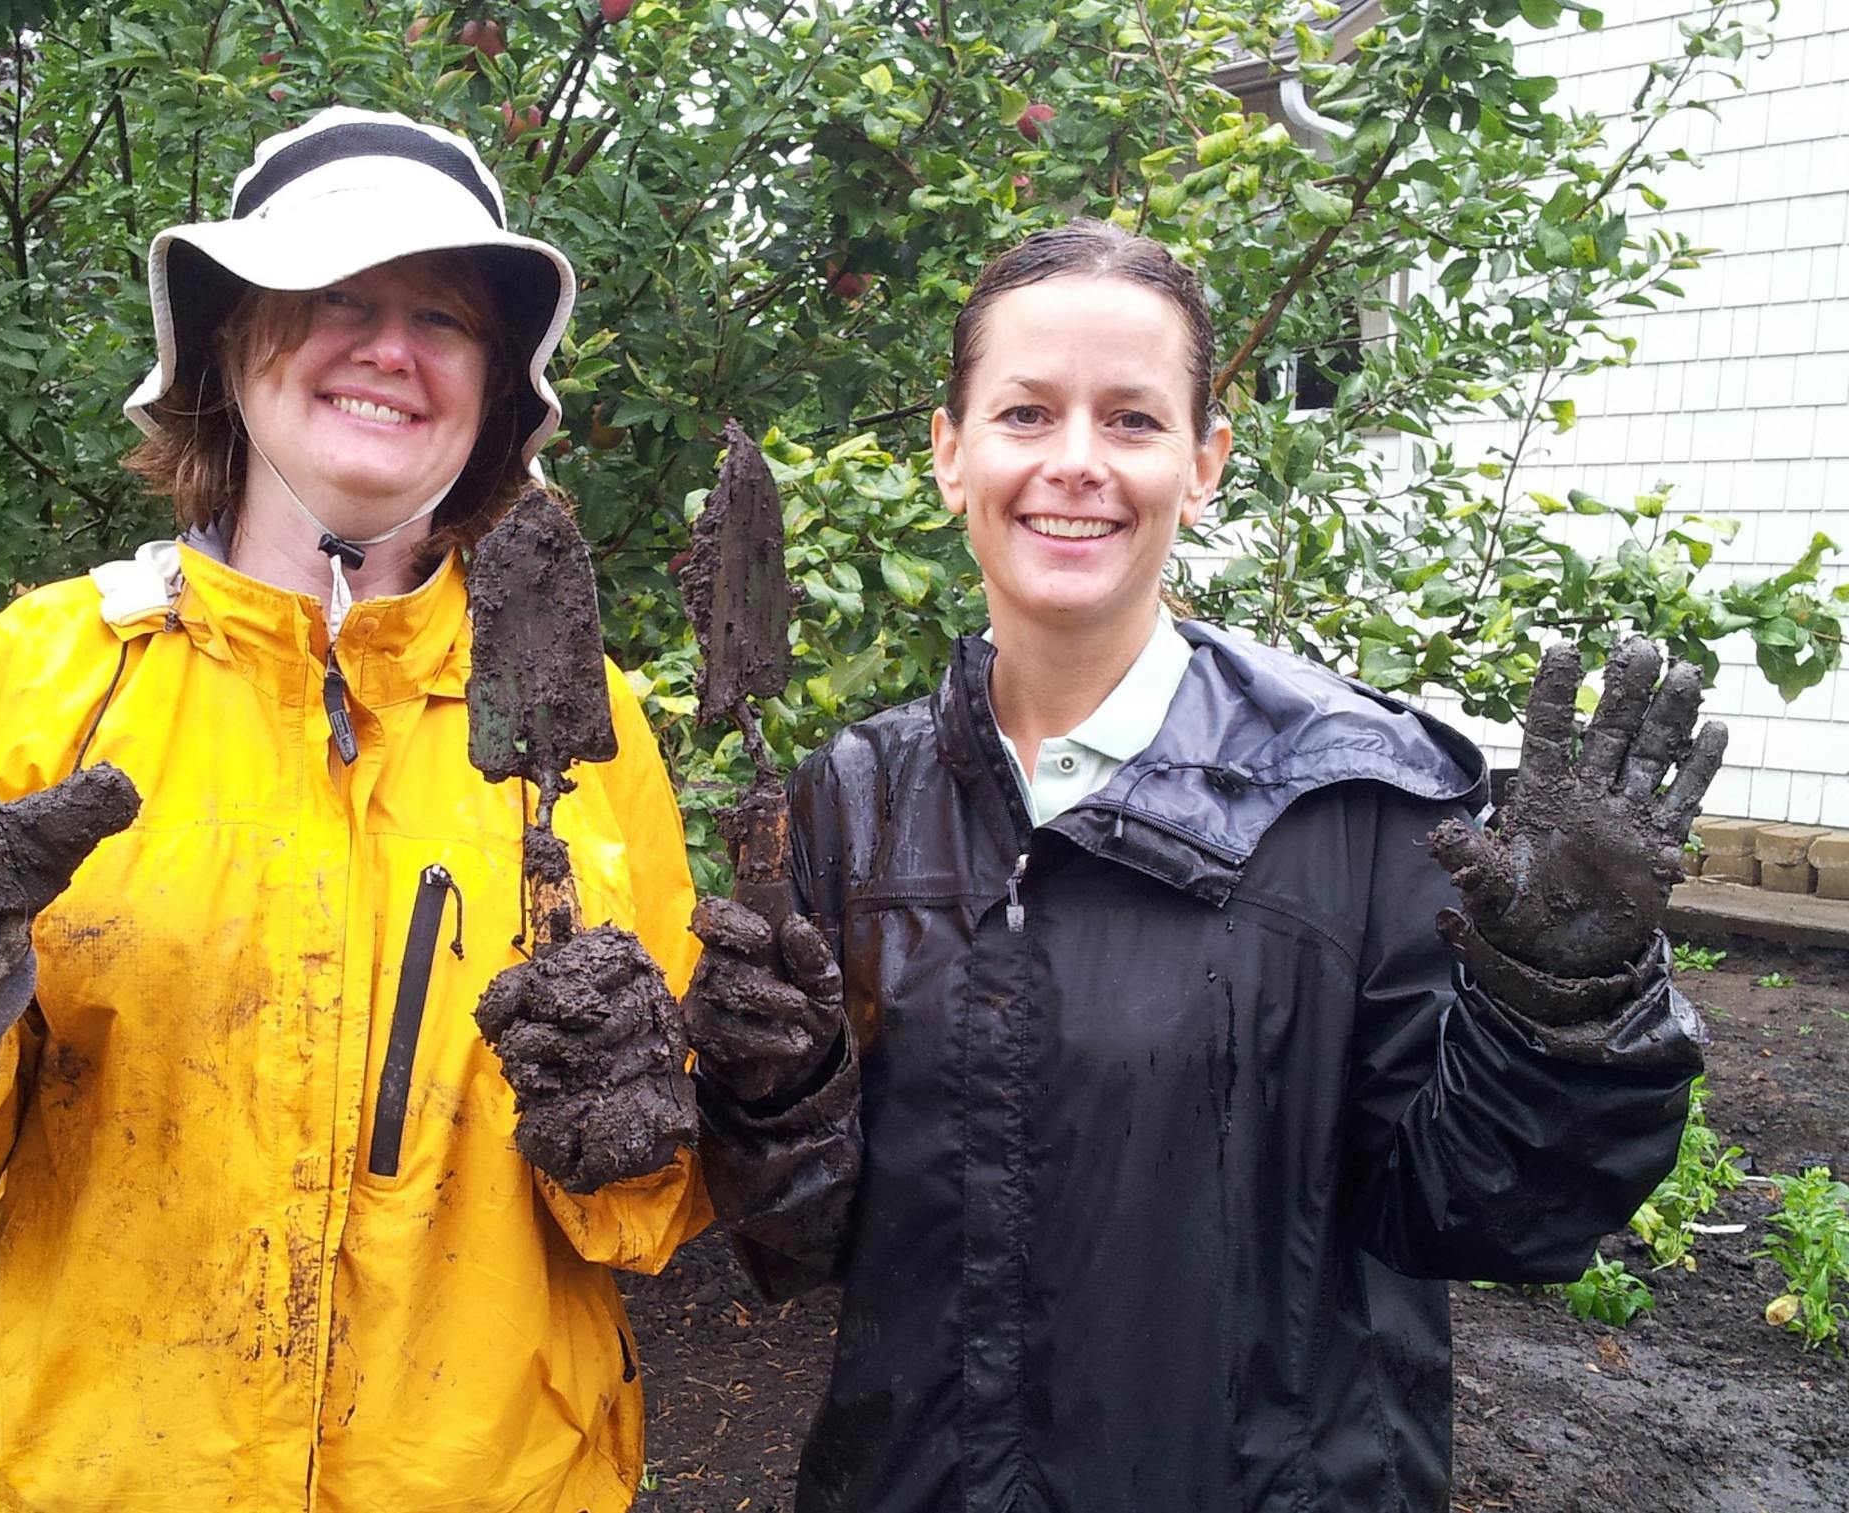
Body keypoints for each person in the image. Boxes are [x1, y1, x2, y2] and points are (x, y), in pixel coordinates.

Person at [680, 219, 1726, 1511]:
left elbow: (1485, 1212)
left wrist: (1568, 1012)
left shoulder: (1361, 798)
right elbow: (803, 1243)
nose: (1075, 461)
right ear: (951, 454)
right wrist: (777, 1099)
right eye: (1025, 412)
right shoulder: (854, 798)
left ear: (1204, 464)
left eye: (1132, 419)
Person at [0, 108, 718, 1512]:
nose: (389, 348)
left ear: (497, 390)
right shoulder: (52, 675)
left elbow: (644, 1208)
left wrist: (651, 1114)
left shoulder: (585, 724)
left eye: (444, 318)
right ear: (227, 345)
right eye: (337, 297)